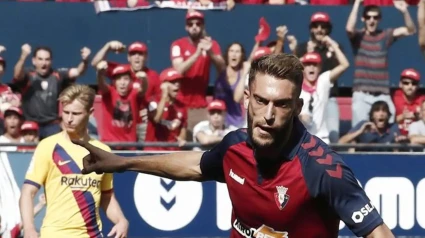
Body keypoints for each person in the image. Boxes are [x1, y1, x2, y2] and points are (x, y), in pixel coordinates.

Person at [72, 54, 394, 238]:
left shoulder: (324, 170)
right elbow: (194, 166)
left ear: (297, 107)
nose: (268, 115)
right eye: (261, 100)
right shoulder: (234, 147)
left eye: (281, 105)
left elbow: (378, 234)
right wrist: (122, 162)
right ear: (247, 99)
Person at [19, 84, 128, 238]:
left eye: (76, 113)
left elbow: (107, 197)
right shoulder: (48, 146)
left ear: (90, 113)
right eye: (66, 112)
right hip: (54, 234)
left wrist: (121, 220)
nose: (69, 119)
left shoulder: (102, 152)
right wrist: (29, 228)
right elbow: (27, 192)